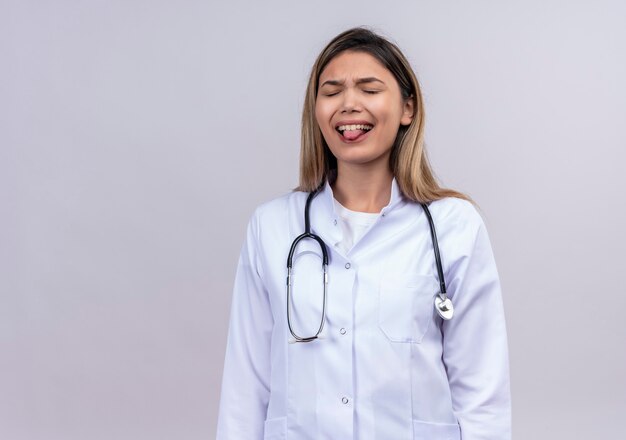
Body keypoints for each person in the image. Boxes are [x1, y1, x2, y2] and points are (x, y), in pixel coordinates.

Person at [216, 27, 511, 440]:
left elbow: (482, 393)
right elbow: (245, 388)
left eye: (369, 89)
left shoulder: (454, 227)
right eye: (332, 91)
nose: (348, 104)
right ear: (315, 110)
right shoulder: (272, 227)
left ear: (408, 108)